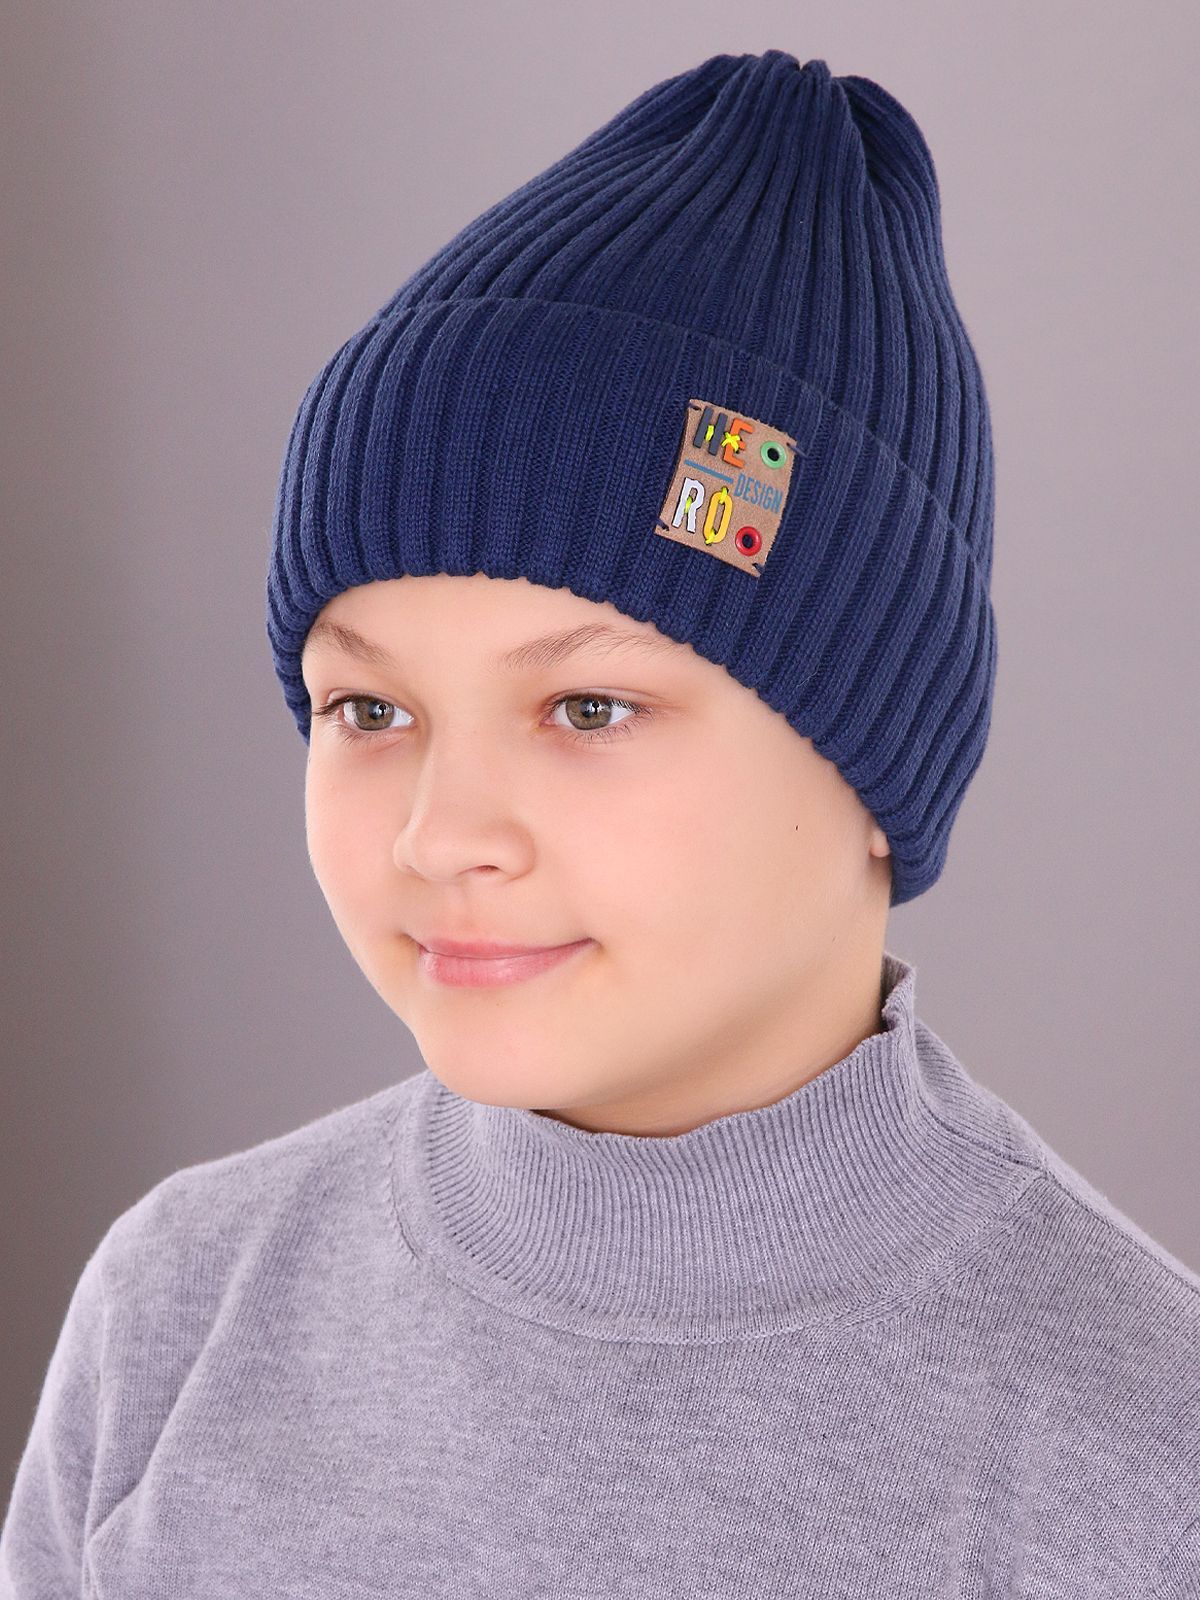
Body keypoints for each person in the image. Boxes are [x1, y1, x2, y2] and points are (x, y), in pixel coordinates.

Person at [3, 48, 1197, 1598]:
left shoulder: (1140, 1457)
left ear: (875, 755)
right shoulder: (180, 1312)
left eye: (586, 710)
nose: (442, 835)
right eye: (368, 711)